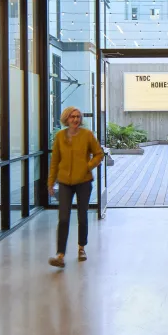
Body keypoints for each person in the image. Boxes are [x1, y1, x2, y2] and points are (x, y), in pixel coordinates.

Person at [48, 106, 104, 268]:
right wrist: (51, 182)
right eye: (72, 117)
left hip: (84, 182)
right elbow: (55, 161)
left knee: (82, 216)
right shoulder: (59, 137)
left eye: (78, 117)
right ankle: (60, 255)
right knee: (63, 218)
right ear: (66, 118)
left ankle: (81, 247)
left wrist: (87, 166)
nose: (75, 119)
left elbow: (99, 154)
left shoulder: (87, 135)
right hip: (65, 182)